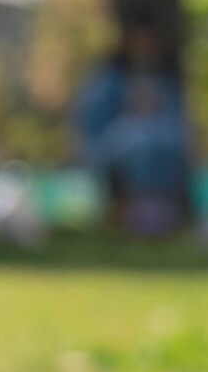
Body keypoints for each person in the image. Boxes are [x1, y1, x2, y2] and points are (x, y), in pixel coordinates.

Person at [75, 19, 190, 234]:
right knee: (138, 139)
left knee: (164, 138)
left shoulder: (165, 78)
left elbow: (179, 126)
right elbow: (91, 125)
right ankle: (131, 210)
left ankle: (159, 211)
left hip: (161, 148)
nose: (144, 47)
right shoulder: (108, 79)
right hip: (114, 145)